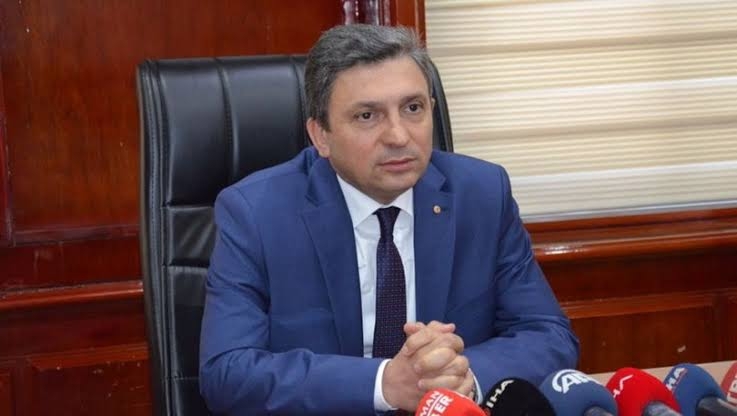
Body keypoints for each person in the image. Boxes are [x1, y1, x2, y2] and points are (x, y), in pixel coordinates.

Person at [199, 24, 579, 415]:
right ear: (321, 136)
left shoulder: (482, 194)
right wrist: (385, 383)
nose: (398, 136)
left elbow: (548, 334)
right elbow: (228, 372)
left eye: (413, 108)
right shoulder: (256, 213)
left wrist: (463, 375)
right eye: (367, 115)